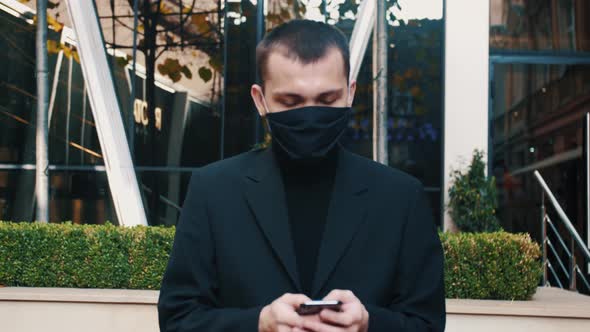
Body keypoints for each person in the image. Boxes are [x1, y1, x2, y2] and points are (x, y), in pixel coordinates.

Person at [158, 19, 445, 332]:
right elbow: (178, 318)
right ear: (260, 99)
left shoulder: (401, 198)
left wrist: (368, 323)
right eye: (290, 101)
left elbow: (427, 323)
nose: (310, 115)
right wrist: (258, 323)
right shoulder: (213, 190)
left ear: (350, 93)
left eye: (326, 100)